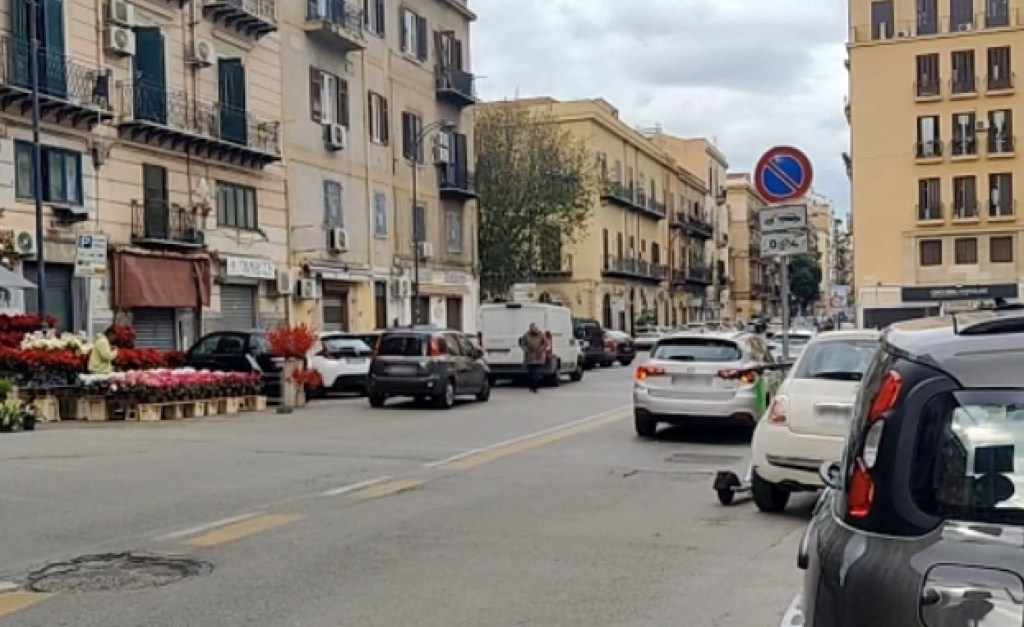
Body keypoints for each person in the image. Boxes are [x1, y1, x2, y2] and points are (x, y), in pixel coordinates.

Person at [519, 323, 549, 393]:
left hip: (538, 356)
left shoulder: (541, 334)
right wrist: (526, 350)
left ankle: (535, 386)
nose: (534, 331)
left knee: (536, 372)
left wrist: (541, 349)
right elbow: (522, 344)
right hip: (529, 356)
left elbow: (545, 343)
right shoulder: (526, 335)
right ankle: (531, 385)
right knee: (531, 372)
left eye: (535, 329)